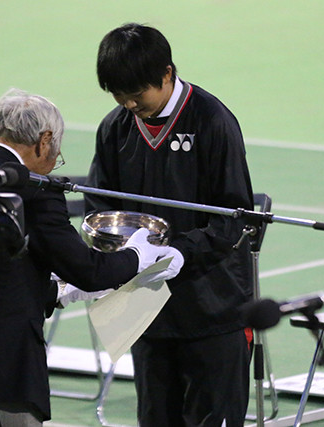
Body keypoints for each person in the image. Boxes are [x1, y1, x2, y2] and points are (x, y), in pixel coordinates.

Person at [0, 88, 183, 426]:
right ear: (44, 141)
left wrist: (56, 291)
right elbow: (89, 271)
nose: (55, 159)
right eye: (56, 151)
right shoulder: (35, 189)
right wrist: (137, 256)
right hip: (5, 372)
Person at [86, 23, 255, 426]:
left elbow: (234, 217)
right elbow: (100, 205)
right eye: (119, 95)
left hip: (212, 312)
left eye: (136, 93)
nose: (129, 104)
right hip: (147, 312)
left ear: (166, 73)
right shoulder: (114, 129)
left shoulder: (213, 121)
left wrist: (180, 252)